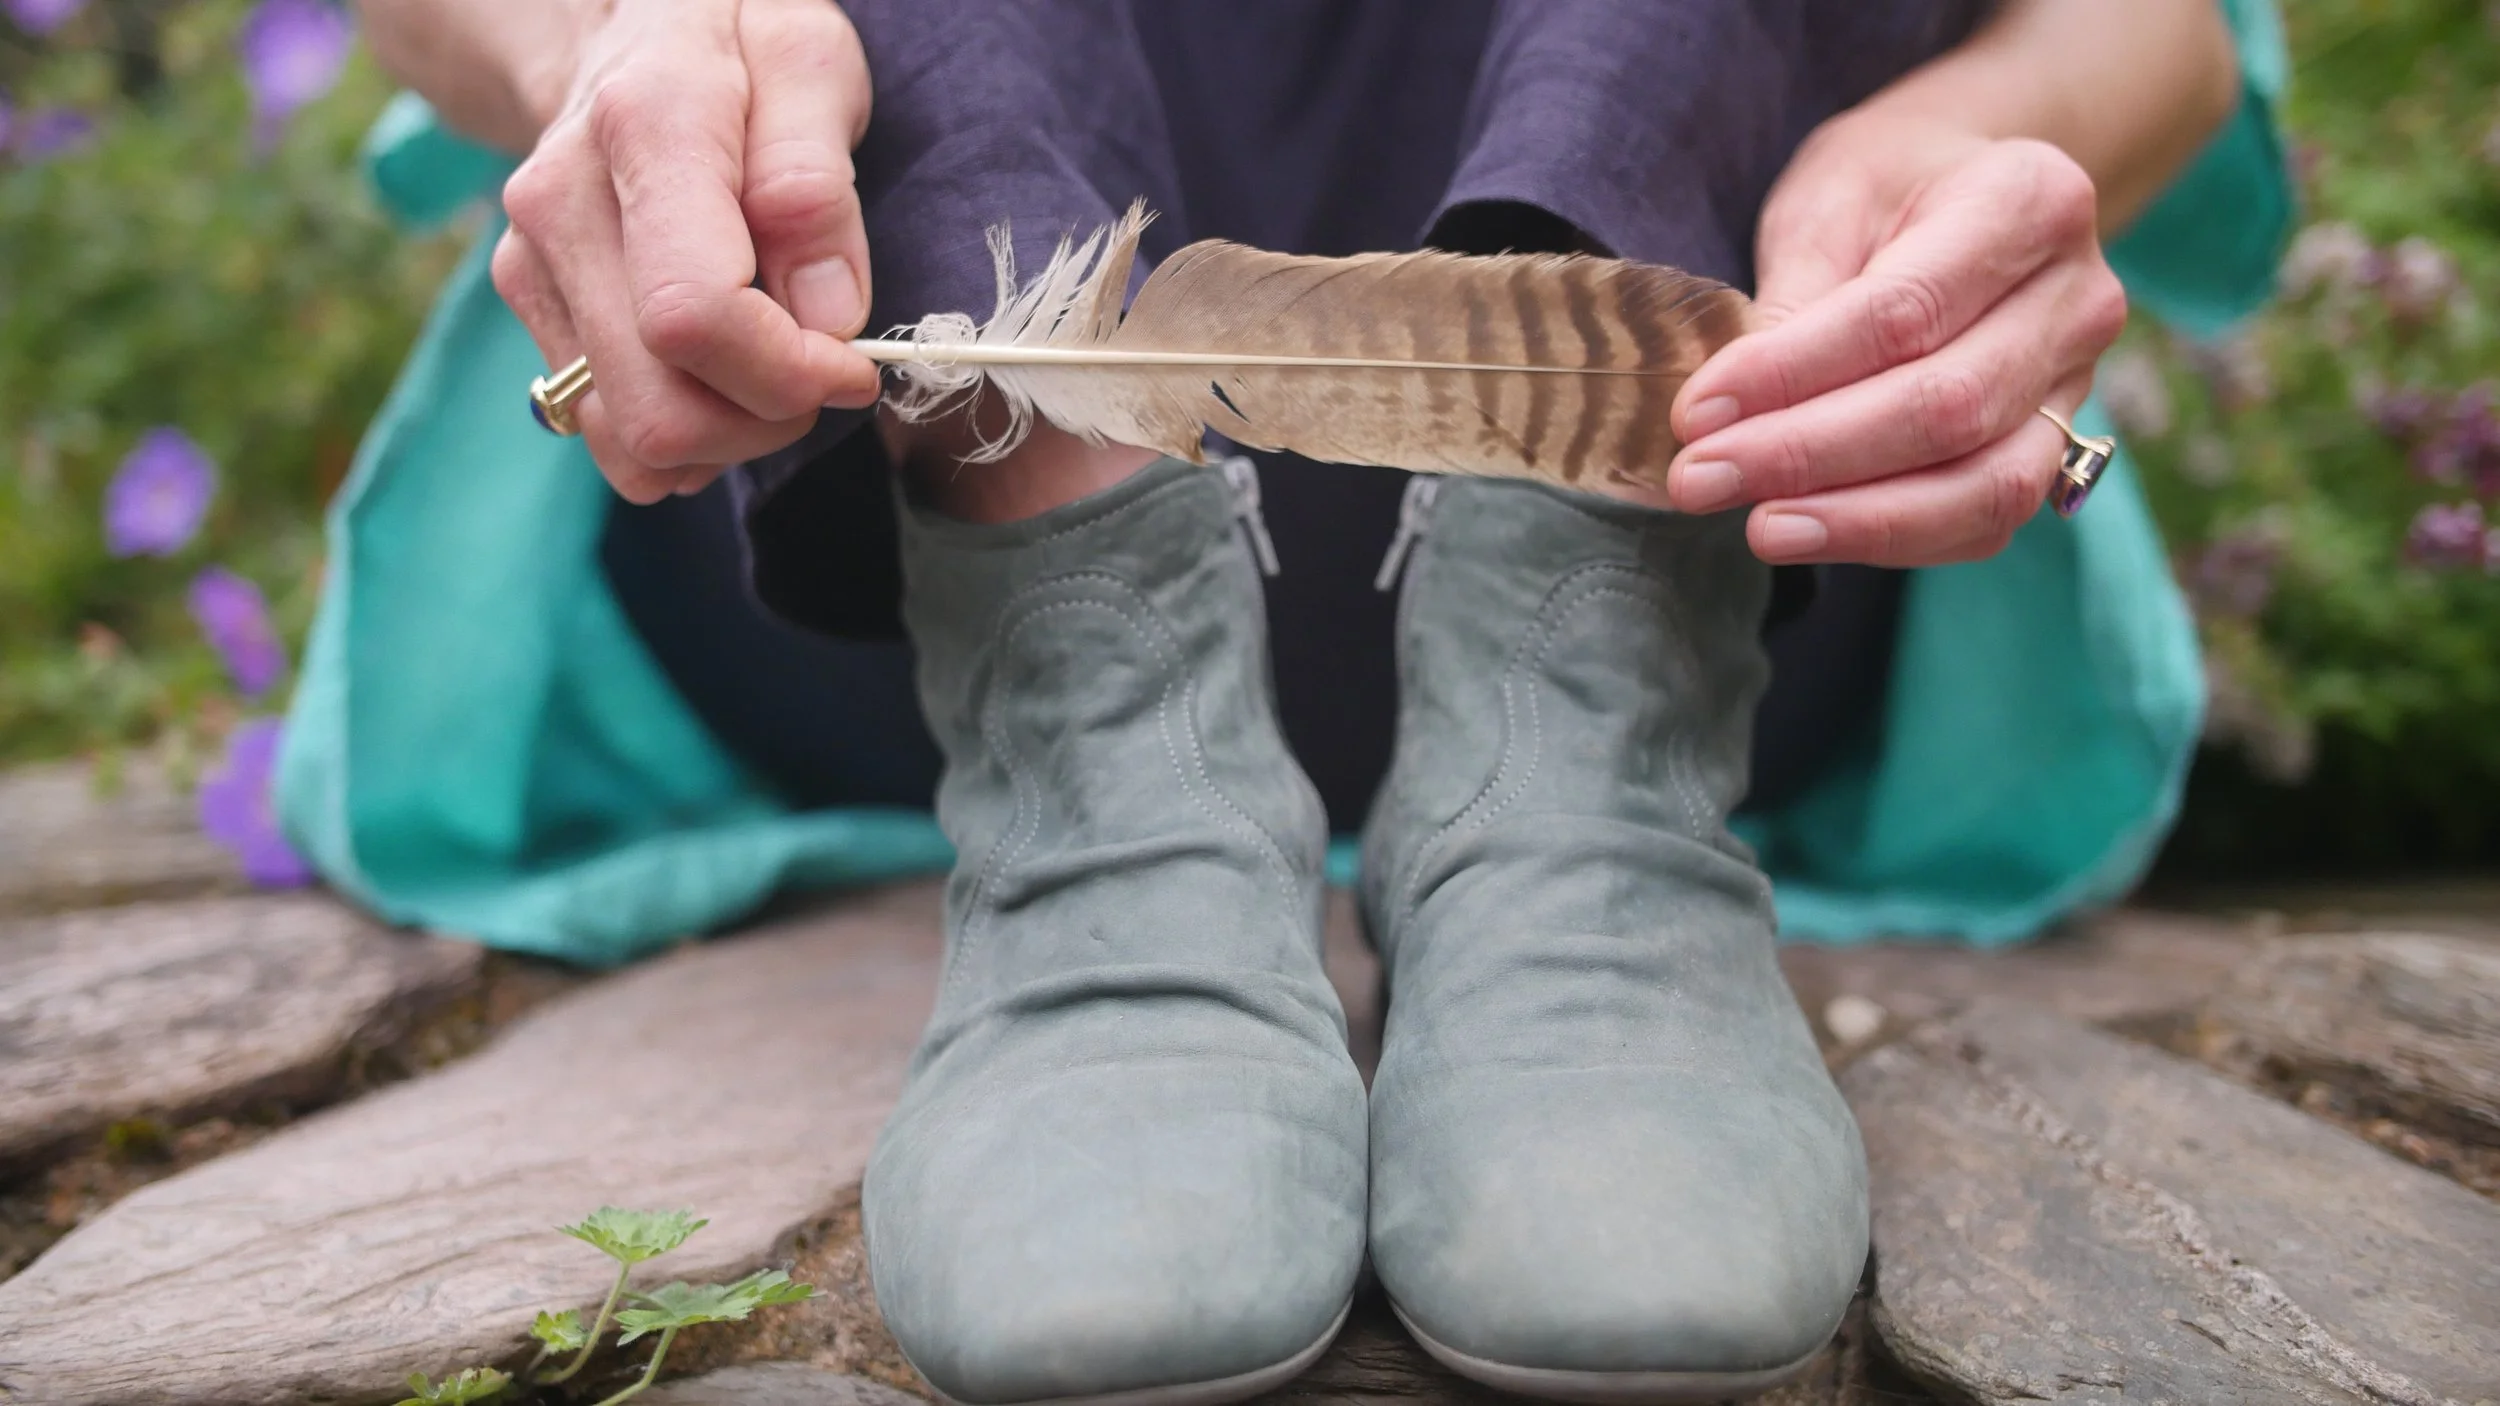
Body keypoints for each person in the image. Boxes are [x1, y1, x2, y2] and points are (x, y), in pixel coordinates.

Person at [321, 2, 2287, 1401]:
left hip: (1752, 491)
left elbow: (2160, 30)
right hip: (845, 503)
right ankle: (1114, 835)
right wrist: (619, 46)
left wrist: (1961, 128)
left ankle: (1573, 812)